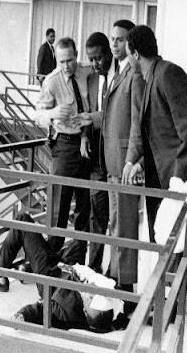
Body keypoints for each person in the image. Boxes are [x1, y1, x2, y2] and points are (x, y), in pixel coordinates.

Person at [126, 25, 187, 239]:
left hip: (185, 178)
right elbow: (160, 134)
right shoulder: (154, 76)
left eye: (129, 56)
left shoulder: (168, 73)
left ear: (136, 54)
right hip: (167, 176)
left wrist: (180, 175)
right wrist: (140, 164)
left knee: (186, 241)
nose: (129, 62)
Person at [99, 20, 145, 306]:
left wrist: (133, 160)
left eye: (120, 39)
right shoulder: (116, 72)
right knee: (115, 222)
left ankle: (126, 289)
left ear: (131, 44)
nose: (115, 44)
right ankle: (117, 281)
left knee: (125, 226)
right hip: (113, 160)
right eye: (113, 39)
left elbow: (139, 122)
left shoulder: (135, 75)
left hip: (125, 162)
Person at [34, 37, 91, 251]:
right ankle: (52, 257)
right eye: (61, 62)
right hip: (65, 144)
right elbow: (37, 116)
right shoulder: (51, 80)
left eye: (69, 60)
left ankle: (77, 257)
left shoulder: (87, 71)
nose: (66, 66)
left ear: (76, 56)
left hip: (86, 140)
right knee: (59, 205)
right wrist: (52, 113)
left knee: (84, 205)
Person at [80, 32, 113, 273]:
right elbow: (89, 113)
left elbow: (112, 117)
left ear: (108, 53)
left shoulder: (120, 78)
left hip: (115, 161)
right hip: (96, 162)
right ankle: (94, 270)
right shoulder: (91, 80)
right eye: (91, 59)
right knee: (96, 216)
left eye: (99, 58)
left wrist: (91, 118)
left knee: (119, 221)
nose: (95, 64)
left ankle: (118, 276)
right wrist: (83, 137)